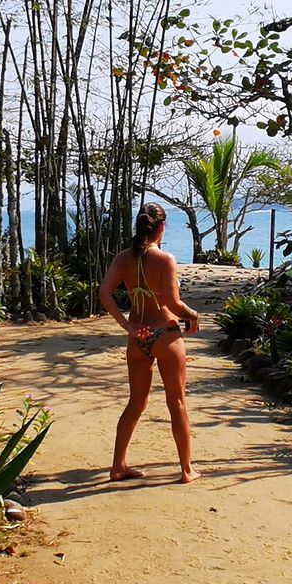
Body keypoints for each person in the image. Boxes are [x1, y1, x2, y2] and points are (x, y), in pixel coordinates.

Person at [99, 202, 203, 483]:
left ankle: (118, 465)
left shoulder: (123, 259)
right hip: (165, 335)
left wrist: (127, 325)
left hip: (139, 337)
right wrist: (193, 315)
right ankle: (186, 469)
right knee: (177, 402)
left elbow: (104, 293)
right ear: (161, 228)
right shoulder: (165, 259)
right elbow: (173, 303)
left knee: (135, 402)